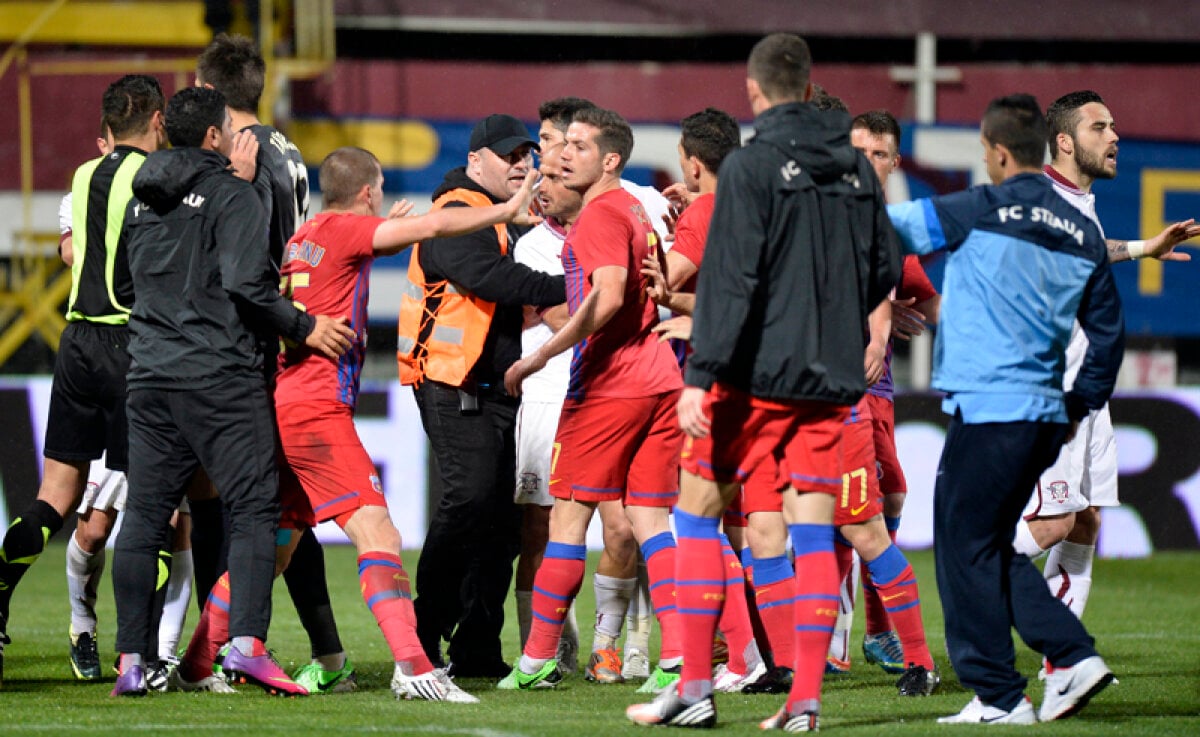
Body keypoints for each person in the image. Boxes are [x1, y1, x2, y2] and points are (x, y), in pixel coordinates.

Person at [626, 33, 899, 730]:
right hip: (829, 383)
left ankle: (693, 685)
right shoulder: (859, 171)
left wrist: (702, 373)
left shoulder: (746, 167)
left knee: (695, 515)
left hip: (750, 378)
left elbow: (733, 278)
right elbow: (882, 273)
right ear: (810, 90)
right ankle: (803, 700)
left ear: (754, 93)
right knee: (812, 532)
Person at [110, 86, 355, 696]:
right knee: (253, 508)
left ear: (168, 133)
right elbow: (248, 285)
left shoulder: (140, 199)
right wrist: (306, 326)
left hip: (150, 377)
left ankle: (131, 663)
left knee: (142, 518)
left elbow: (122, 285)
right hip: (220, 376)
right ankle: (245, 646)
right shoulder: (233, 191)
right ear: (217, 136)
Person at [887, 93, 1122, 724]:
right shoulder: (1082, 230)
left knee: (967, 547)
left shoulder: (982, 207)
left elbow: (890, 232)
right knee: (984, 543)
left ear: (994, 151)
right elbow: (1107, 333)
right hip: (1048, 412)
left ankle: (1040, 671)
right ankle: (1031, 680)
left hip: (991, 407)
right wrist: (1081, 402)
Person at [499, 106, 685, 695]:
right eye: (562, 144)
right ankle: (677, 656)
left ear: (609, 160)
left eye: (577, 146)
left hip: (609, 383)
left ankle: (536, 660)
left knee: (567, 522)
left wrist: (540, 355)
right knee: (652, 521)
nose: (560, 154)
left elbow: (606, 299)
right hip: (659, 378)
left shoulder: (601, 215)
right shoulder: (634, 205)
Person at [196, 33, 352, 692]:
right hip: (280, 341)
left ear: (208, 91)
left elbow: (247, 260)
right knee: (281, 508)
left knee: (229, 503)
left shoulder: (244, 159)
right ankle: (328, 650)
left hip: (247, 342)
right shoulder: (287, 149)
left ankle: (217, 653)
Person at [0, 75, 167, 690]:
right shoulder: (157, 179)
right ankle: (141, 653)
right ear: (156, 121)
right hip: (132, 349)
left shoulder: (79, 176)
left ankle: (0, 600)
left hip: (76, 347)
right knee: (155, 508)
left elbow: (74, 254)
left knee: (53, 500)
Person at [1012, 90, 1199, 625]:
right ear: (1065, 141)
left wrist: (1144, 248)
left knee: (1087, 520)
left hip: (1088, 389)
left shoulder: (1077, 204)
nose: (1115, 136)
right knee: (1052, 523)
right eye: (1100, 128)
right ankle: (971, 573)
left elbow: (1088, 249)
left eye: (1113, 126)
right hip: (1054, 390)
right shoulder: (1040, 203)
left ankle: (1061, 662)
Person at [397, 113, 566, 677]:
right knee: (468, 501)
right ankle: (425, 630)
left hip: (495, 389)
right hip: (452, 383)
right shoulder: (456, 212)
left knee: (497, 520)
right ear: (475, 162)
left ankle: (477, 646)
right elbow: (493, 279)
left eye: (526, 156)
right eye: (507, 156)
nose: (522, 164)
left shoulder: (503, 218)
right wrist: (574, 287)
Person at [829, 110, 942, 677]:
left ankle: (872, 633)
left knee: (882, 502)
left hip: (875, 389)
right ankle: (836, 642)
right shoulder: (823, 216)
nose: (867, 162)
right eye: (858, 150)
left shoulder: (895, 230)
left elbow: (928, 300)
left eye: (879, 154)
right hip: (827, 387)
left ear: (896, 163)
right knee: (840, 516)